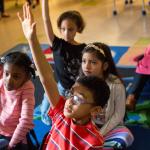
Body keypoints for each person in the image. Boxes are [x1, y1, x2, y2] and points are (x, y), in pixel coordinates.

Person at [18, 3, 110, 149]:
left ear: (96, 110)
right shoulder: (61, 111)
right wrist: (32, 39)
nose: (70, 101)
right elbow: (47, 77)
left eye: (78, 99)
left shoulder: (94, 142)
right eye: (71, 95)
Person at [79, 43, 134, 149]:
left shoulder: (116, 85)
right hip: (89, 127)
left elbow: (118, 115)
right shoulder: (80, 83)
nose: (87, 66)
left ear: (104, 66)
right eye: (84, 61)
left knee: (126, 135)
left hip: (110, 128)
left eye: (93, 62)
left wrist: (100, 133)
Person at [40, 0, 86, 125]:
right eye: (63, 29)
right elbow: (46, 20)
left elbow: (86, 71)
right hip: (60, 87)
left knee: (76, 118)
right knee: (45, 116)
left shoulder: (84, 49)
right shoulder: (57, 44)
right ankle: (47, 97)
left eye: (70, 29)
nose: (66, 33)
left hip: (77, 89)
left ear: (78, 29)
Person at [0, 51, 36, 149]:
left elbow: (26, 121)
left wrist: (11, 145)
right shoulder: (2, 81)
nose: (8, 80)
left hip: (15, 135)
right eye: (6, 74)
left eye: (16, 76)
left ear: (26, 78)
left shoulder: (27, 87)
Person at [126, 46, 150, 110]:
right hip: (144, 67)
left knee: (137, 85)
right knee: (137, 84)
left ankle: (131, 97)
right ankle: (131, 98)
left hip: (143, 67)